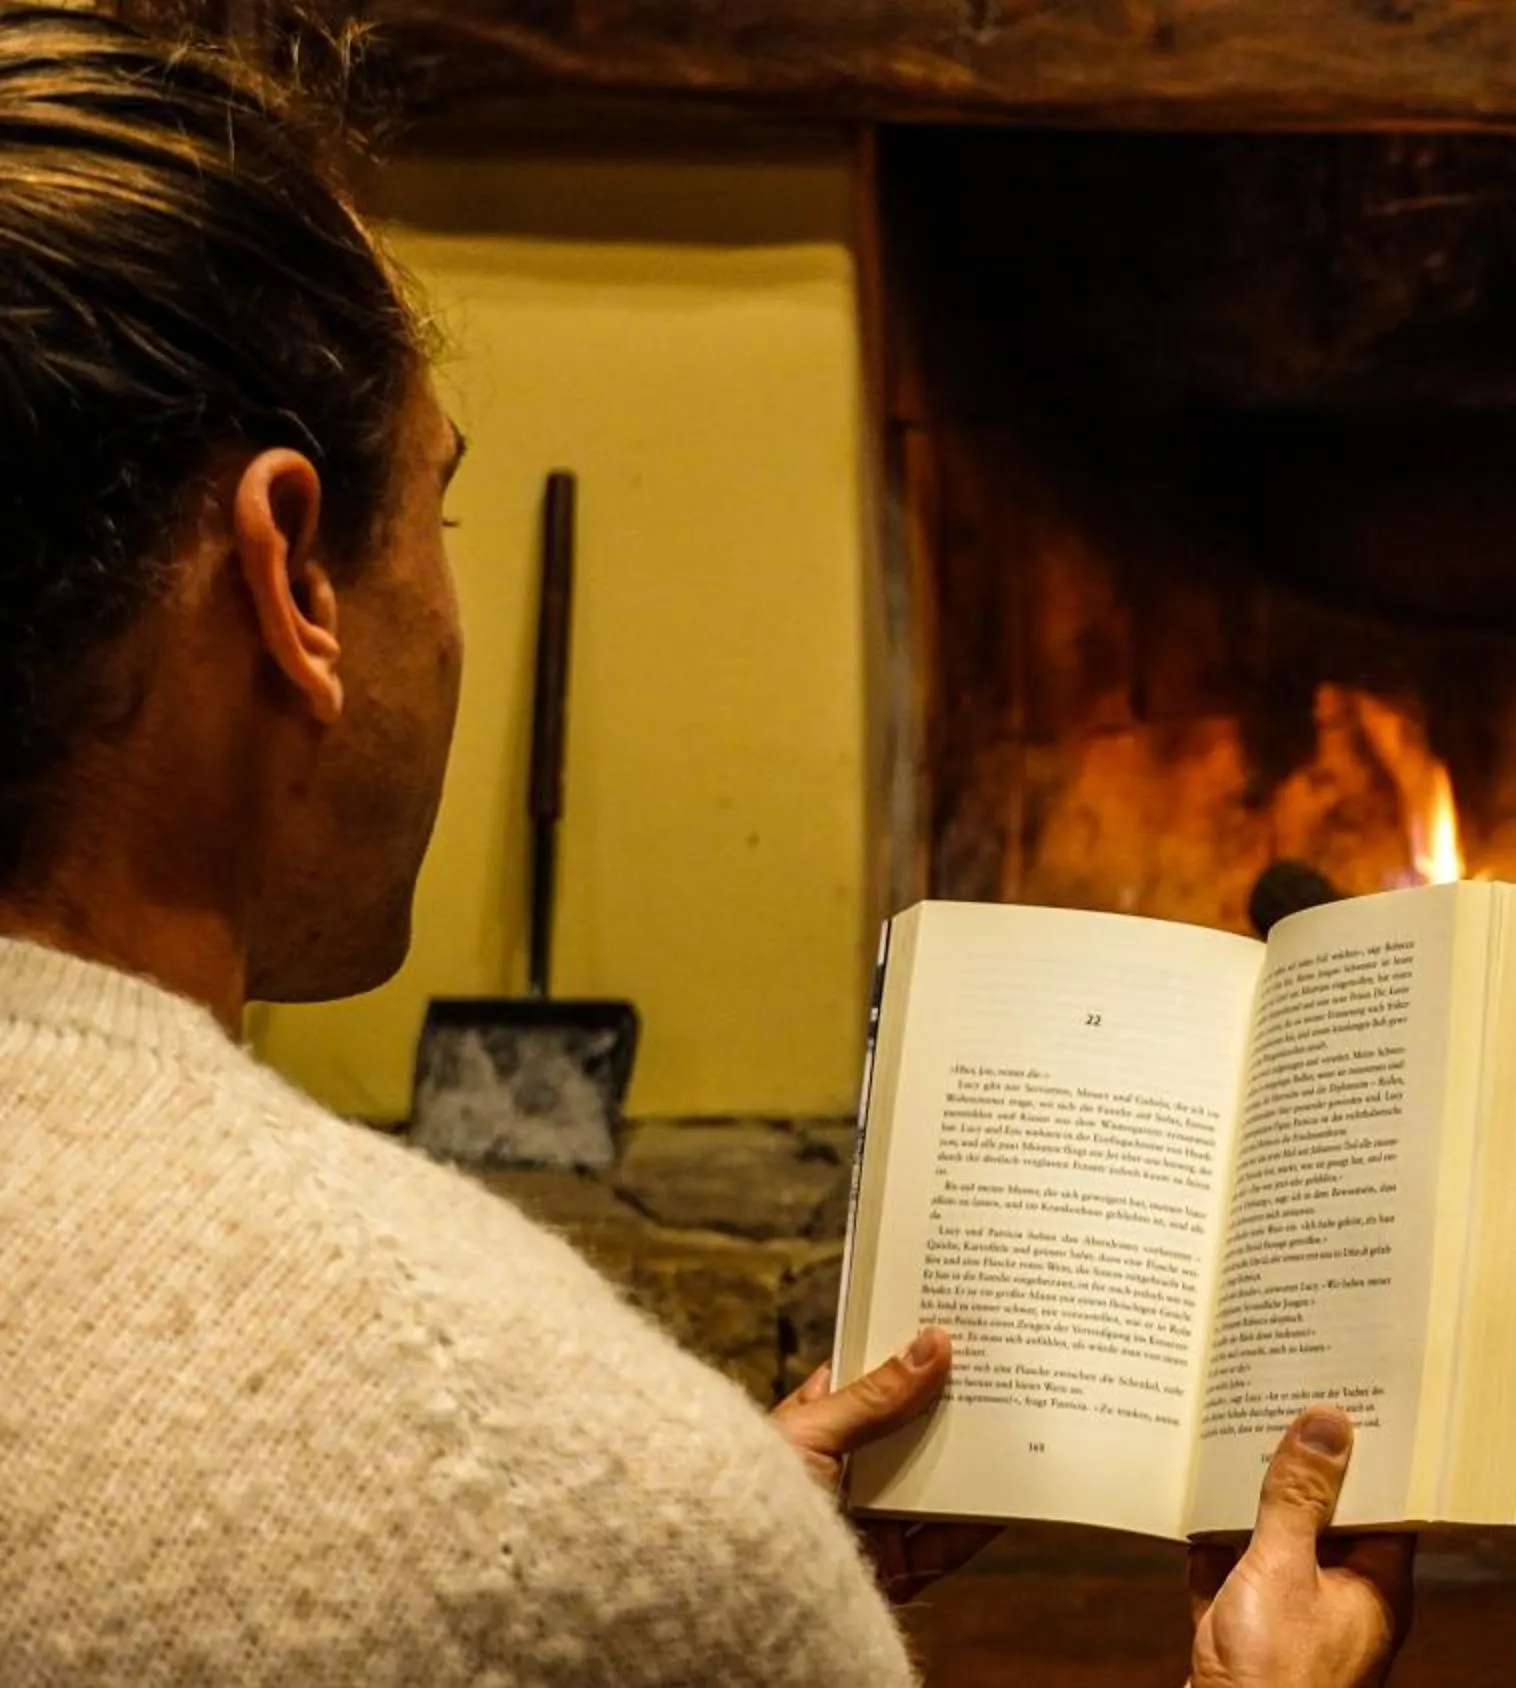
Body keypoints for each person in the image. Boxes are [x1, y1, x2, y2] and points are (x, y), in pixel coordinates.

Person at [0, 9, 1412, 1683]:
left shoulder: (587, 1504)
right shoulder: (497, 1435)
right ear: (293, 575)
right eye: (440, 509)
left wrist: (695, 1543)